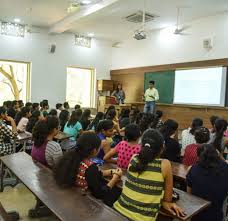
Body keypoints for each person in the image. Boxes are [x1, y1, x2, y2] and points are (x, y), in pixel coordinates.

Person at [114, 129, 185, 221]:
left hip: (118, 210)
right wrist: (163, 201)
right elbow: (168, 199)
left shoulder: (134, 158)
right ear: (162, 149)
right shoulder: (165, 164)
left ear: (141, 145)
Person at [54, 132, 122, 207]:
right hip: (83, 202)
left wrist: (106, 172)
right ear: (94, 150)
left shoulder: (70, 157)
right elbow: (100, 194)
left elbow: (88, 176)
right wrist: (114, 179)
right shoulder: (90, 167)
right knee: (116, 191)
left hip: (72, 193)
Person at [186, 144, 228, 221]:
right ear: (216, 154)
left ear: (198, 157)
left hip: (197, 214)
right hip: (217, 214)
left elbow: (189, 194)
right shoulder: (225, 167)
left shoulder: (194, 169)